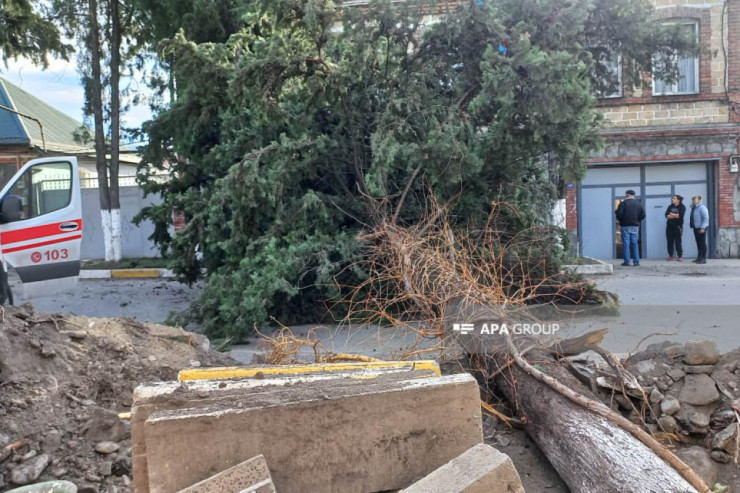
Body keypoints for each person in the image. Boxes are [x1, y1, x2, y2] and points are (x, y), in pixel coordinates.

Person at [615, 190, 645, 266]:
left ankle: (627, 261)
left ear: (627, 195)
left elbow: (619, 214)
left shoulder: (623, 204)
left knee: (626, 244)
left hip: (625, 226)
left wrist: (621, 221)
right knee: (635, 244)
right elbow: (643, 215)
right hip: (635, 226)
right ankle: (636, 261)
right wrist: (637, 220)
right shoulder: (638, 204)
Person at [665, 195, 686, 261]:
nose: (672, 199)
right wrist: (675, 215)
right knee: (670, 241)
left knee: (678, 241)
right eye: (673, 198)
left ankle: (680, 256)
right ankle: (671, 255)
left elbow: (680, 216)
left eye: (674, 198)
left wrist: (671, 214)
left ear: (678, 200)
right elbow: (666, 215)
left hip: (678, 226)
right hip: (669, 226)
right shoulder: (670, 206)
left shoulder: (682, 207)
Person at [690, 195, 709, 264]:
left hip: (702, 227)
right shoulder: (694, 208)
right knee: (698, 243)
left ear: (699, 200)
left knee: (702, 243)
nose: (693, 201)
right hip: (696, 227)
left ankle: (703, 259)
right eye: (692, 200)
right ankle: (699, 257)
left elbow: (706, 218)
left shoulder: (702, 208)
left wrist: (703, 228)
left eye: (694, 200)